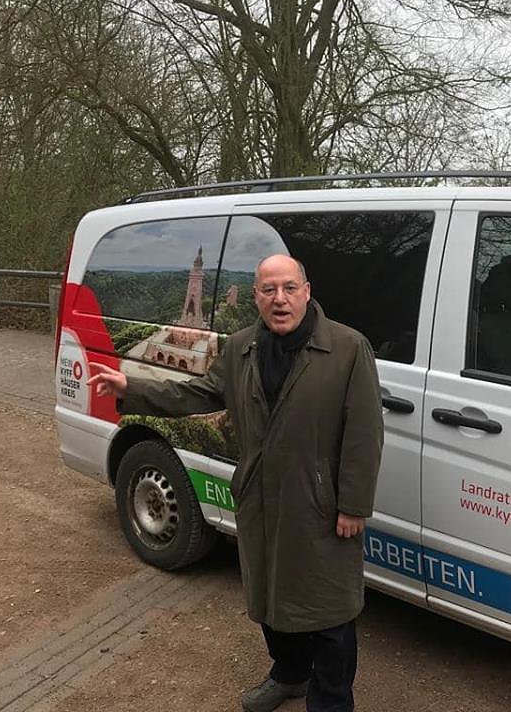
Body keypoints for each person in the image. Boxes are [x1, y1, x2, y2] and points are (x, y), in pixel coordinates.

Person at [88, 254, 383, 712]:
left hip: (319, 503)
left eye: (289, 288)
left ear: (307, 291)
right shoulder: (242, 347)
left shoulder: (347, 348)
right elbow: (200, 393)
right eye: (269, 290)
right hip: (259, 495)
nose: (280, 299)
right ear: (256, 297)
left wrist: (354, 505)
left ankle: (330, 703)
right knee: (268, 595)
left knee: (329, 612)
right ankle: (289, 674)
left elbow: (364, 432)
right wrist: (133, 387)